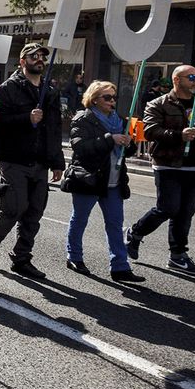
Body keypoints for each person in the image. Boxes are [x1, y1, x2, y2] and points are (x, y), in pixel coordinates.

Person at [125, 64, 195, 275]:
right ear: (177, 80)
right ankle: (135, 232)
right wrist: (179, 135)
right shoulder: (158, 103)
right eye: (191, 77)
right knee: (168, 208)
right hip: (168, 164)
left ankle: (178, 256)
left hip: (194, 166)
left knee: (185, 213)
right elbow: (150, 131)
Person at [0, 43, 64, 278]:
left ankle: (21, 258)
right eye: (33, 56)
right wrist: (26, 118)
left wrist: (57, 161)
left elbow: (54, 128)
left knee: (34, 212)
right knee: (14, 208)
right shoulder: (9, 88)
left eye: (42, 56)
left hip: (40, 161)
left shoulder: (50, 91)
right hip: (14, 159)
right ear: (22, 61)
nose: (39, 59)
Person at [63, 81, 143, 283]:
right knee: (79, 220)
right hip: (89, 179)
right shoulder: (83, 118)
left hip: (113, 181)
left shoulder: (120, 120)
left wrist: (129, 143)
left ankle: (120, 267)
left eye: (114, 97)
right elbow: (80, 147)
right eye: (107, 97)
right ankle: (74, 257)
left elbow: (129, 151)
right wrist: (110, 139)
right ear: (94, 99)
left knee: (115, 224)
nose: (111, 101)